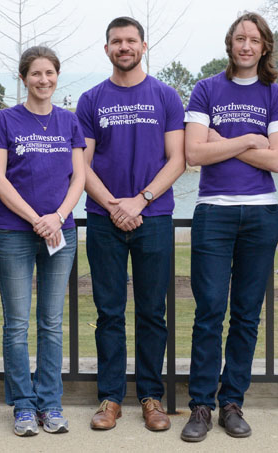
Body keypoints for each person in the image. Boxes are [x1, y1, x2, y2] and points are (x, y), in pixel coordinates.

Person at [179, 12, 278, 442]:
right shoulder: (207, 88)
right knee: (209, 311)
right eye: (240, 38)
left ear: (265, 46)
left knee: (247, 314)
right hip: (214, 212)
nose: (246, 46)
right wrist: (248, 139)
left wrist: (219, 143)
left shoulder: (275, 95)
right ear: (230, 44)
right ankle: (201, 406)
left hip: (260, 214)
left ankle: (232, 403)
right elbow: (193, 153)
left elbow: (277, 160)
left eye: (255, 39)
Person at [76, 16, 185, 432]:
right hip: (104, 220)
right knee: (109, 312)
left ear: (143, 46)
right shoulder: (90, 100)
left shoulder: (165, 95)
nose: (124, 47)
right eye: (116, 41)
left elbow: (177, 159)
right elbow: (80, 163)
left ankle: (151, 396)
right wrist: (112, 204)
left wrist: (140, 201)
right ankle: (109, 398)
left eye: (130, 40)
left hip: (154, 217)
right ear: (107, 49)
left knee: (153, 312)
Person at [0, 45, 85, 436]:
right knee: (16, 324)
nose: (43, 80)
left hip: (62, 232)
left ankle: (51, 403)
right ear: (23, 78)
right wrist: (35, 220)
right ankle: (23, 406)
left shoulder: (69, 122)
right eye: (36, 74)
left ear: (57, 76)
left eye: (50, 73)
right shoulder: (5, 120)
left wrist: (57, 217)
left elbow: (78, 178)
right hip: (15, 233)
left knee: (51, 322)